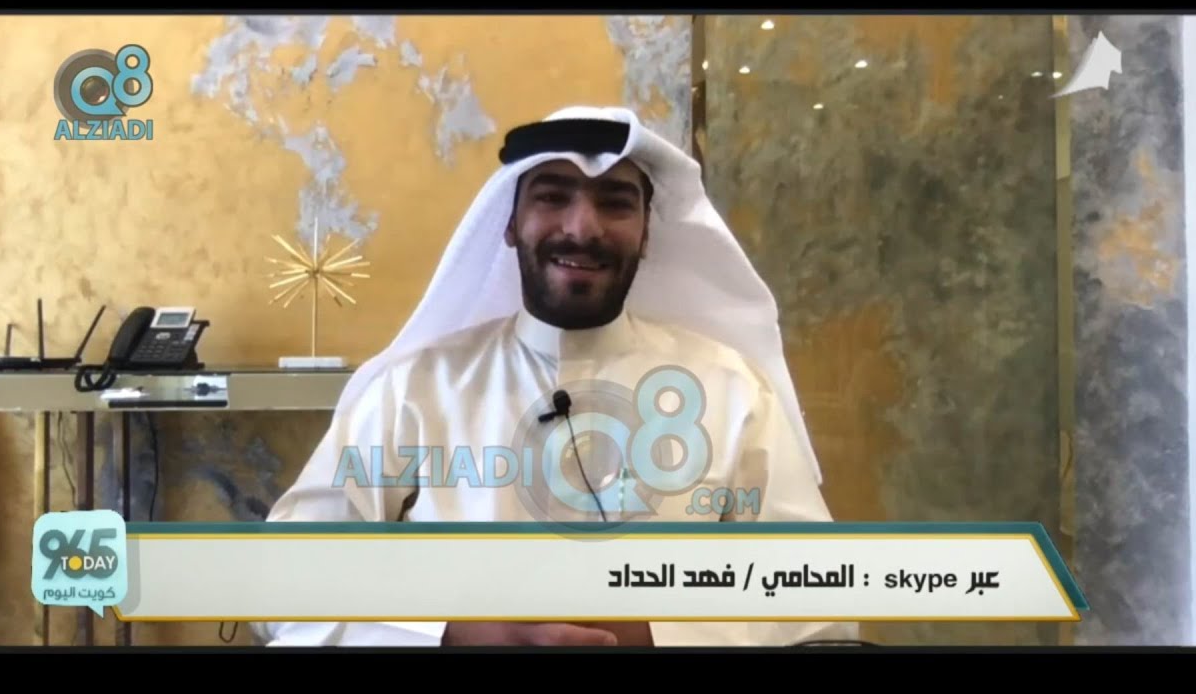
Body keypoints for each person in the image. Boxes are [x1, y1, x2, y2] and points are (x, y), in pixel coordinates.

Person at [256, 105, 858, 647]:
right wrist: (449, 634)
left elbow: (818, 602)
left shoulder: (731, 392)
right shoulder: (412, 388)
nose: (582, 227)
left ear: (647, 233)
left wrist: (659, 633)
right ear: (510, 222)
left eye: (615, 202)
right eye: (552, 197)